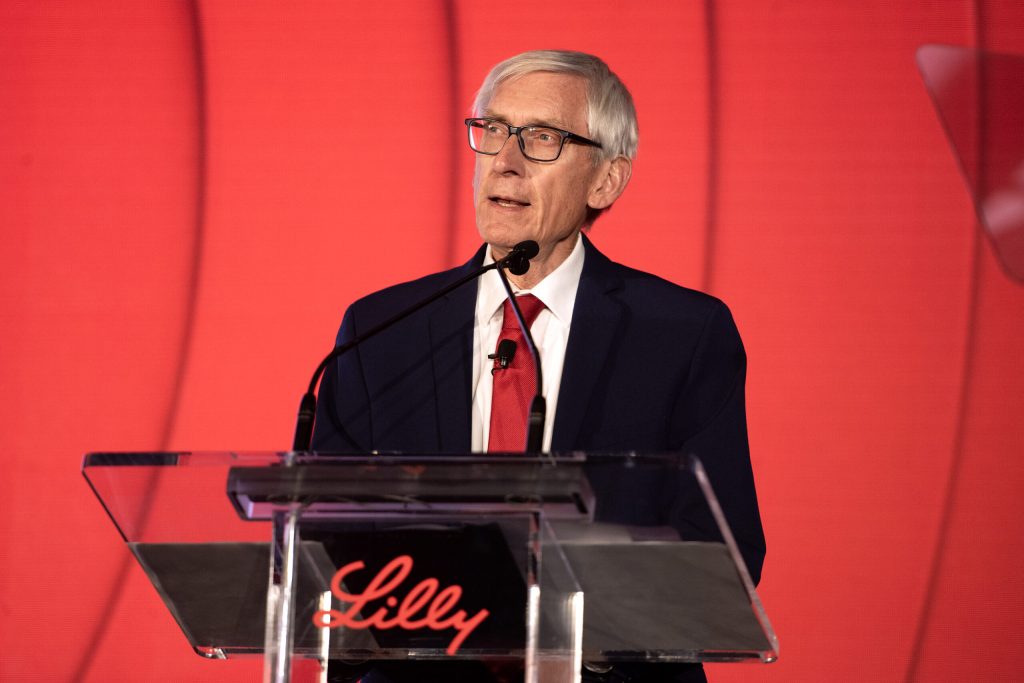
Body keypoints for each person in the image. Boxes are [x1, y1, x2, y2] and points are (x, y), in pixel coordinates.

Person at [314, 50, 765, 683]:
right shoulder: (381, 331)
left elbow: (722, 552)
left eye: (542, 139)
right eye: (493, 131)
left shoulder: (681, 334)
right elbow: (322, 542)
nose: (505, 160)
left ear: (605, 180)